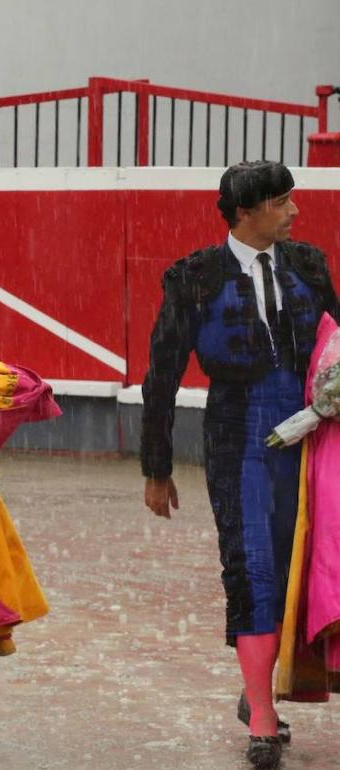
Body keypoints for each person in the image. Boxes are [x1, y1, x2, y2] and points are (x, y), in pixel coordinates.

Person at [141, 161, 339, 769]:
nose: (294, 212)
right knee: (253, 565)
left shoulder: (308, 265)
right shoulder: (195, 277)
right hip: (238, 434)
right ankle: (262, 714)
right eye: (283, 202)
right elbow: (163, 376)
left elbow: (339, 344)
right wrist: (157, 466)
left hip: (317, 434)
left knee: (315, 562)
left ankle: (270, 685)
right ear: (246, 212)